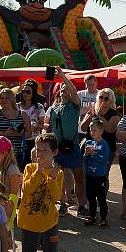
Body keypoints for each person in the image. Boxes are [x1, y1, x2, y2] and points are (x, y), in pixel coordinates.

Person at [16, 133, 71, 252]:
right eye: (38, 150)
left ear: (54, 152)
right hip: (29, 223)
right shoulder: (30, 168)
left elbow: (56, 196)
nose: (40, 154)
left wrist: (52, 178)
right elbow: (26, 190)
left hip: (49, 224)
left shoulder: (58, 172)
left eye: (45, 151)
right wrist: (39, 174)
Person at [48, 68, 87, 216]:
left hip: (73, 146)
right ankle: (63, 203)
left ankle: (81, 205)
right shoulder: (54, 108)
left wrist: (63, 77)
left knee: (79, 177)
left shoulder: (74, 105)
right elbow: (51, 127)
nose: (65, 90)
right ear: (58, 92)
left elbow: (74, 91)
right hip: (57, 147)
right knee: (60, 177)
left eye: (67, 88)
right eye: (62, 89)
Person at [0, 87, 29, 169]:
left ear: (12, 99)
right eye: (1, 98)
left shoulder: (23, 114)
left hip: (18, 154)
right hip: (0, 154)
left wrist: (20, 132)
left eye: (6, 98)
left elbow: (29, 134)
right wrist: (5, 133)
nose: (4, 100)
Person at [80, 87, 120, 167]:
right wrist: (91, 116)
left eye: (106, 98)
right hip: (90, 147)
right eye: (101, 97)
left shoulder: (114, 114)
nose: (103, 100)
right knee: (87, 174)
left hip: (106, 149)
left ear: (111, 100)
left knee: (102, 175)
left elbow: (110, 129)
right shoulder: (92, 111)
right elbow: (83, 128)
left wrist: (100, 116)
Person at [82, 119, 110, 227]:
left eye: (95, 130)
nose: (92, 132)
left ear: (101, 131)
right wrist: (86, 155)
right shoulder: (89, 142)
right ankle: (92, 216)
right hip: (90, 175)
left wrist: (94, 154)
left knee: (101, 197)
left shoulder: (104, 145)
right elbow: (85, 159)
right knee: (90, 197)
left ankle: (103, 218)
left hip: (100, 176)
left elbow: (105, 160)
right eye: (90, 130)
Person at [17, 80, 47, 165]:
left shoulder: (39, 107)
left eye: (28, 92)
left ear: (33, 93)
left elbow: (42, 124)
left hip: (34, 139)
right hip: (20, 138)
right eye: (23, 91)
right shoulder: (17, 106)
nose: (25, 94)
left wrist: (35, 125)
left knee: (33, 163)